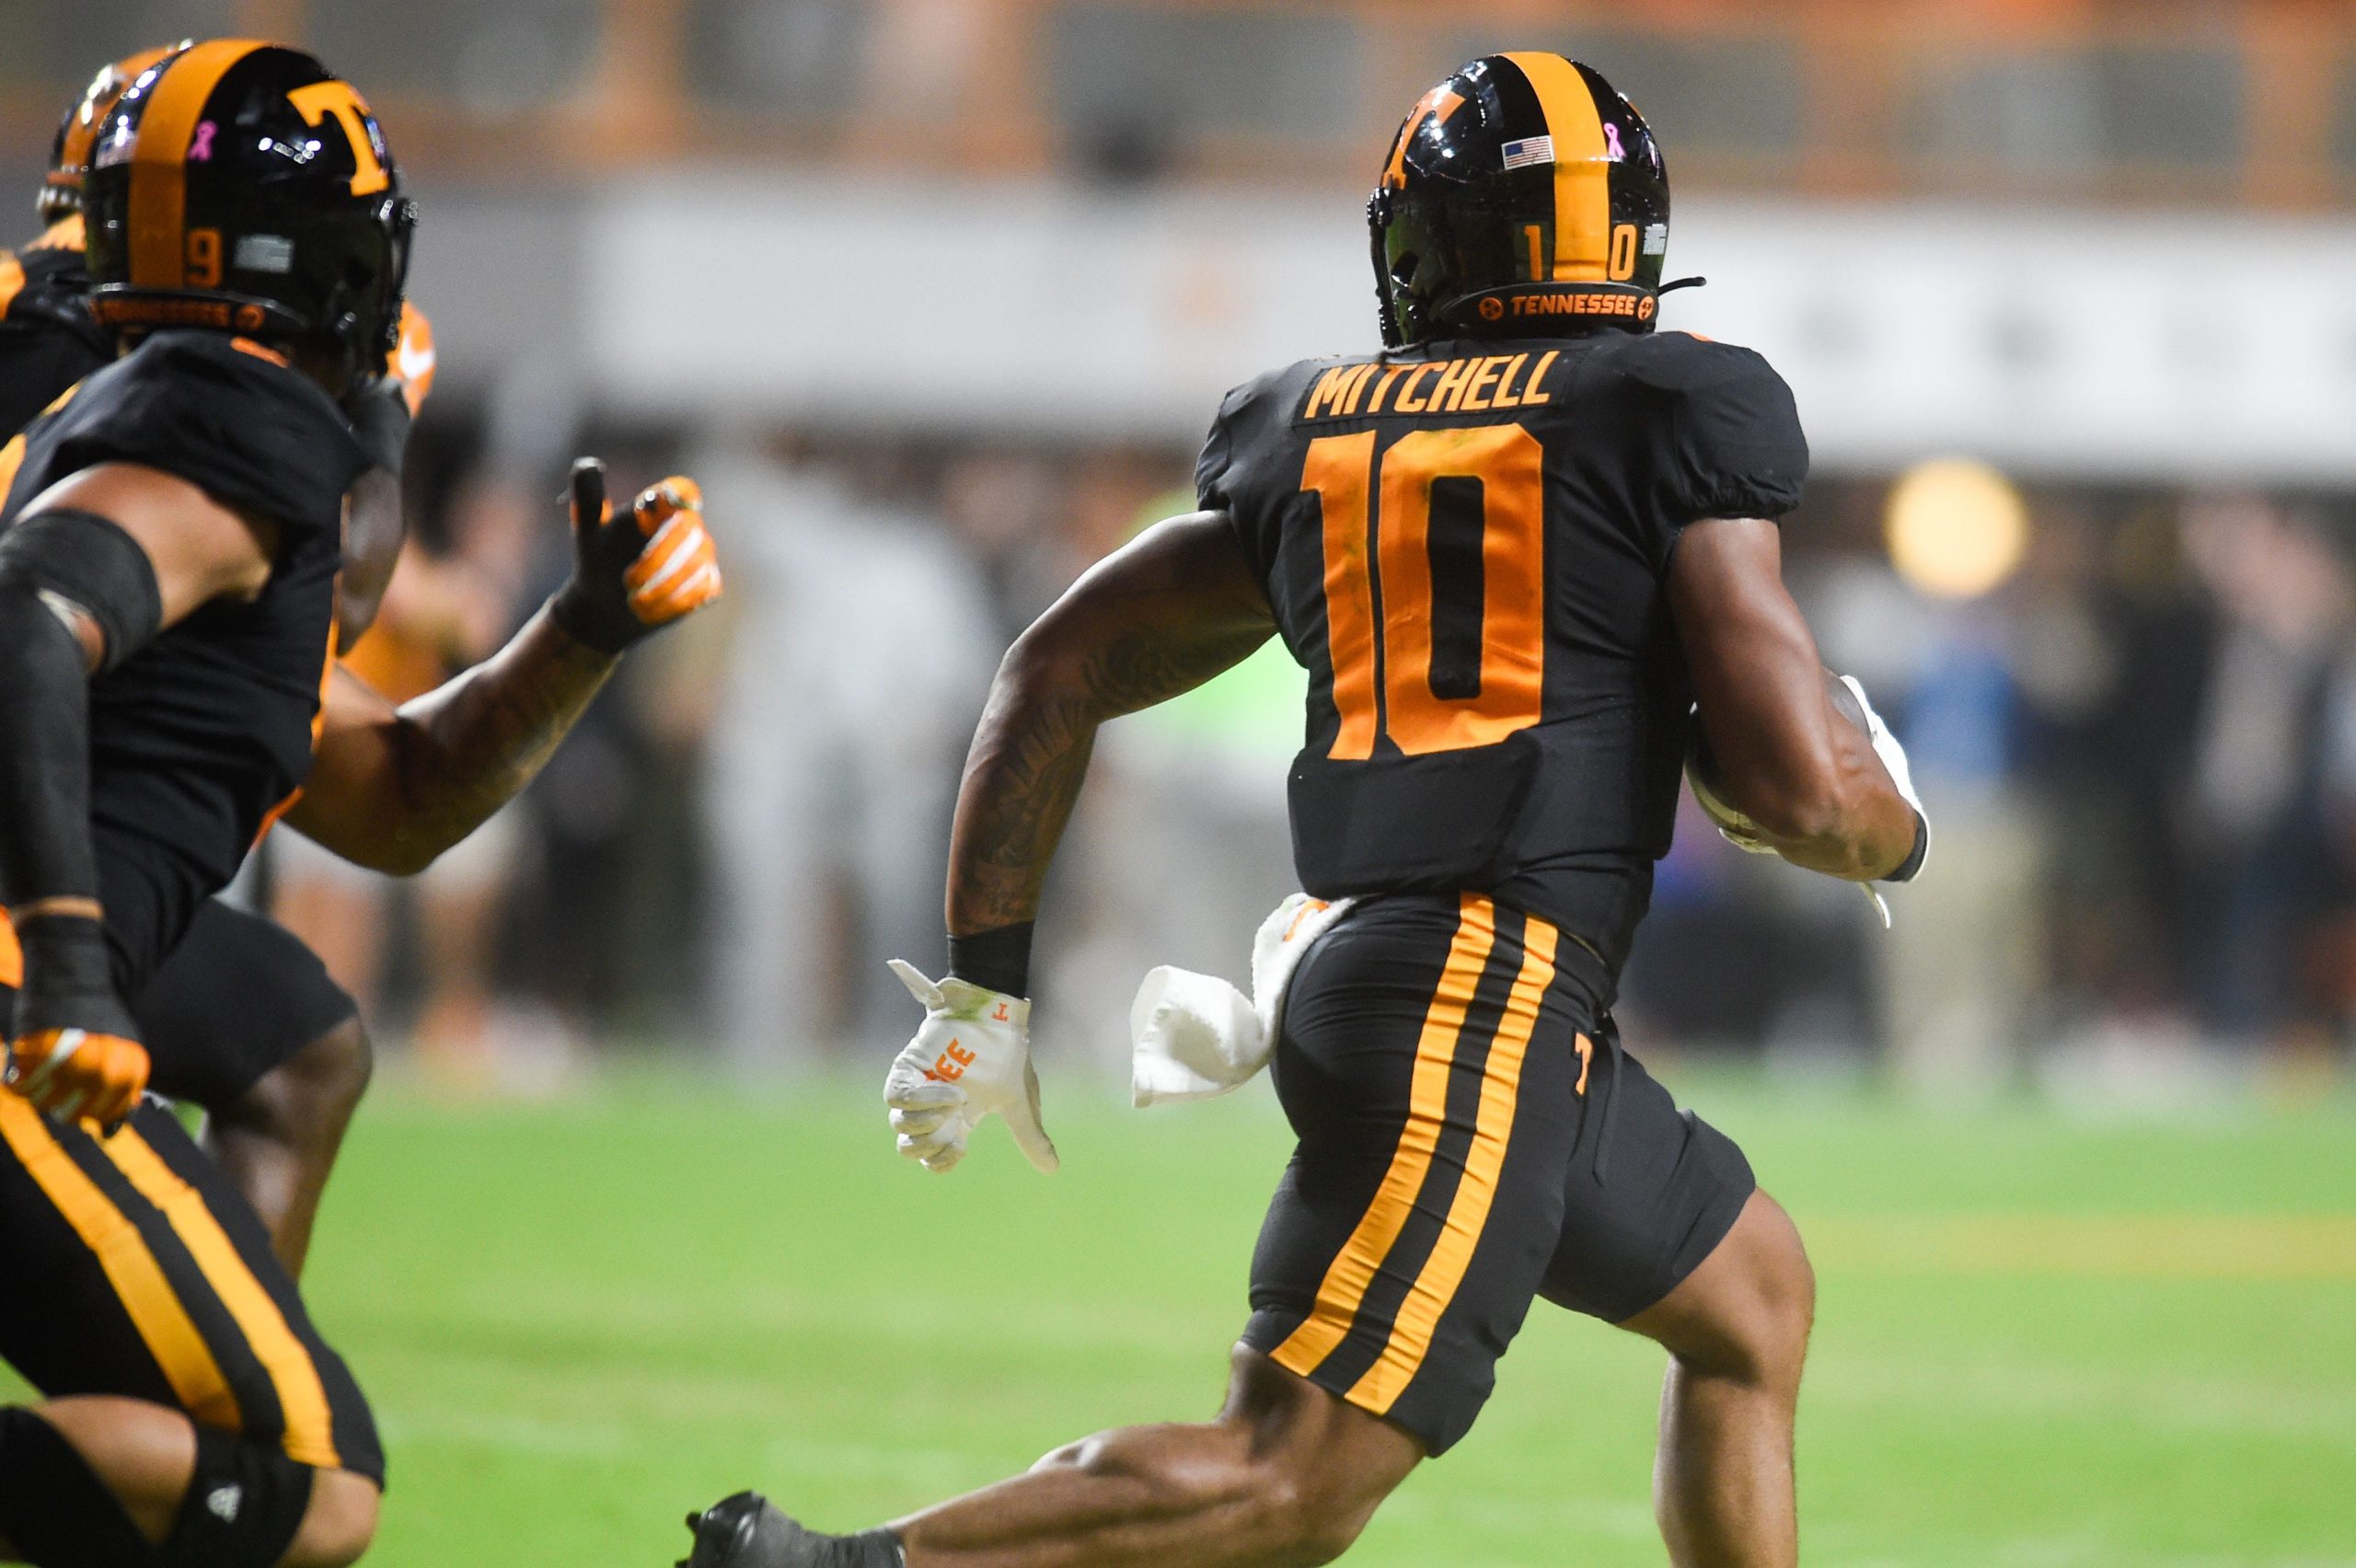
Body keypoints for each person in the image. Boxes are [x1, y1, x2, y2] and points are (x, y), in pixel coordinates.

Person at [684, 52, 1925, 1568]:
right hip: (1485, 988)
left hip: (1396, 978)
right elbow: (1801, 787)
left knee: (1750, 1294)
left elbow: (1051, 671)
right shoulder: (1675, 404)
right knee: (1289, 1481)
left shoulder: (1315, 431)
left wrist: (982, 993)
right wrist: (1894, 825)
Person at [0, 40, 720, 1568]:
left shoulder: (154, 430)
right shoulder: (229, 416)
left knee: (301, 1047)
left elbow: (394, 800)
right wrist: (65, 963)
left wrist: (582, 630)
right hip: (18, 997)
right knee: (307, 1484)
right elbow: (29, 618)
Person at [0, 47, 435, 1277]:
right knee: (296, 1460)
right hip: (35, 831)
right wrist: (381, 422)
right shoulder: (189, 378)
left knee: (301, 1039)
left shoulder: (61, 329)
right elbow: (337, 596)